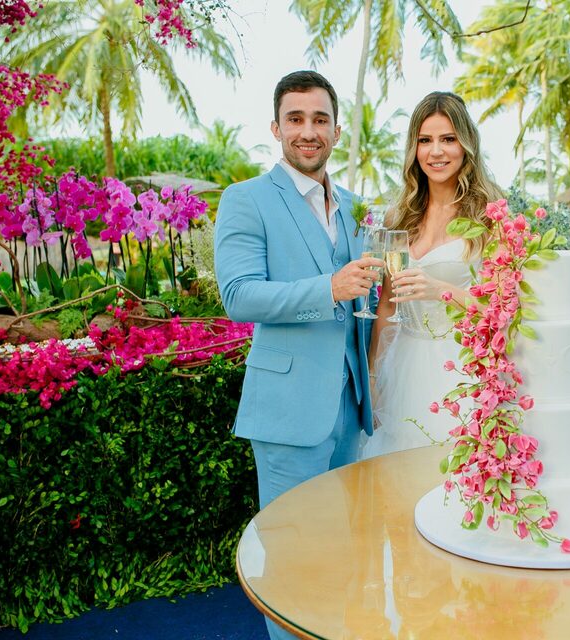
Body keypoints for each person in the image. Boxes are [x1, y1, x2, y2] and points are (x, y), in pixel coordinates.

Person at [215, 71, 384, 509]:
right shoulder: (245, 199)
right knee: (291, 540)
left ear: (336, 131)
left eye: (320, 120)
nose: (308, 132)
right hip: (288, 412)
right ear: (276, 128)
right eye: (295, 119)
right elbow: (239, 296)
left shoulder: (354, 206)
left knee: (343, 537)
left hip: (351, 408)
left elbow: (366, 298)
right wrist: (330, 289)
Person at [361, 91, 503, 459]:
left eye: (448, 139)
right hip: (403, 368)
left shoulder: (490, 216)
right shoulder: (398, 217)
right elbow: (387, 306)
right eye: (425, 140)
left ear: (466, 144)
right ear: (414, 148)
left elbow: (503, 309)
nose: (436, 151)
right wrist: (375, 378)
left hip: (461, 368)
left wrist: (441, 289)